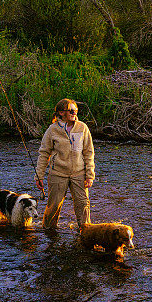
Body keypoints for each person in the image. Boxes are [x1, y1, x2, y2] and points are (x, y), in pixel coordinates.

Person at [35, 98, 95, 229]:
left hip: (79, 174)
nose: (75, 113)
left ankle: (86, 233)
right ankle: (48, 232)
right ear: (62, 112)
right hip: (57, 174)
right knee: (53, 206)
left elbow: (89, 152)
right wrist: (39, 176)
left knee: (83, 205)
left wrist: (90, 175)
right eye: (72, 110)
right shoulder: (52, 130)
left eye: (76, 110)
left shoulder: (83, 128)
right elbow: (44, 153)